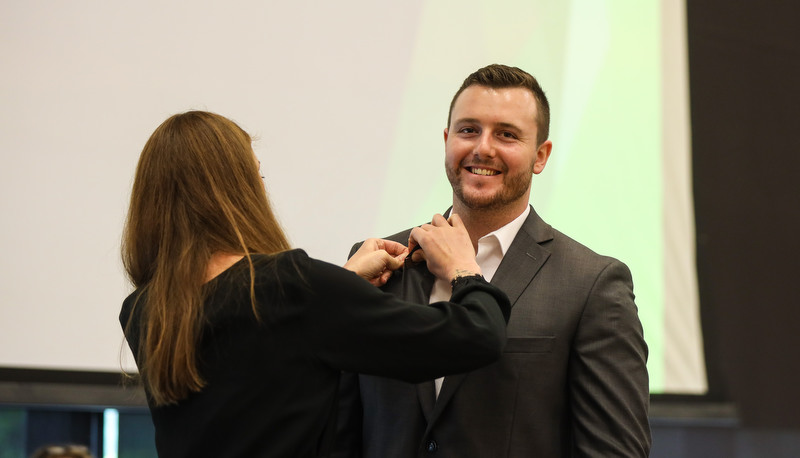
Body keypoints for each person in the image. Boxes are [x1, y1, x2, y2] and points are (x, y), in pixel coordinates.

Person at [119, 110, 513, 457]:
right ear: (236, 190)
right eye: (255, 174)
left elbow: (259, 368)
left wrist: (341, 283)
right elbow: (475, 336)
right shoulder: (291, 286)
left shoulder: (142, 310)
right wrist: (464, 267)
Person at [337, 64, 651, 457]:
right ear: (447, 139)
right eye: (469, 130)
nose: (482, 147)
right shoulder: (377, 264)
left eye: (506, 134)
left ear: (541, 155)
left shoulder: (592, 285)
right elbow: (337, 432)